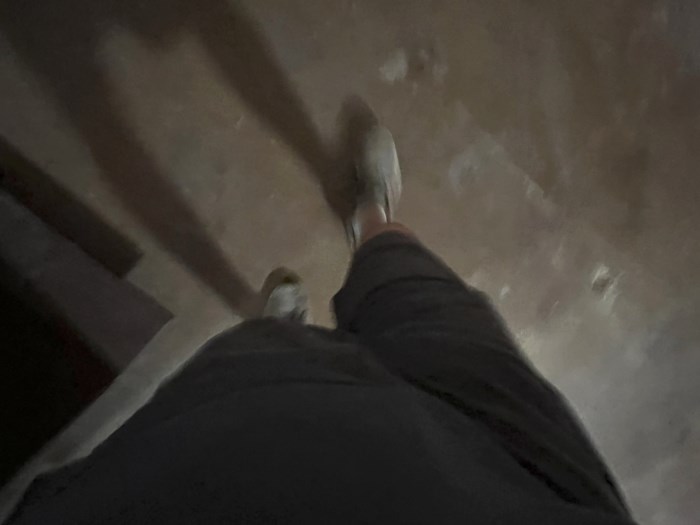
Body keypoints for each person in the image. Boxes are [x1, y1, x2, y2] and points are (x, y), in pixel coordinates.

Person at [8, 125, 636, 524]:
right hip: (538, 491)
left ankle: (286, 337)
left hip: (234, 448)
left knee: (254, 366)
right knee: (421, 293)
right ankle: (370, 217)